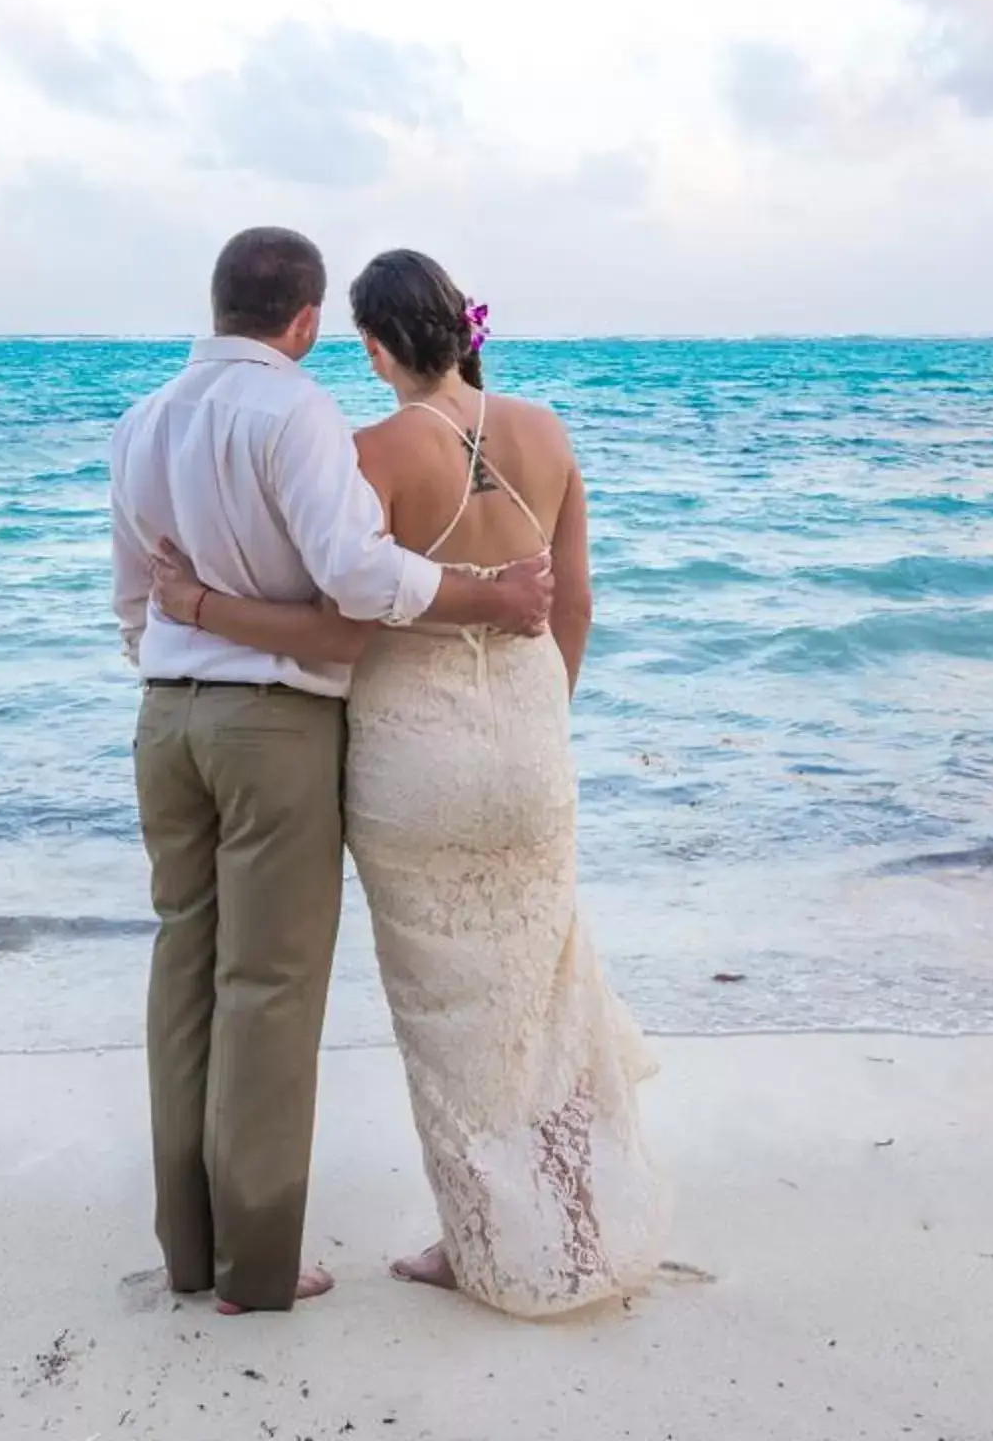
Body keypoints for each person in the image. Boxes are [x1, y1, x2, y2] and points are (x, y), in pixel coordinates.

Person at [146, 247, 671, 1319]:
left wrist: (195, 606)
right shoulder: (549, 431)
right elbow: (572, 599)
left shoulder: (370, 451)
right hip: (529, 740)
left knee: (448, 1012)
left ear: (376, 347)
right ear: (464, 328)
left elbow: (348, 616)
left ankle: (479, 1239)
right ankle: (572, 1220)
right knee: (546, 991)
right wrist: (540, 715)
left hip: (412, 759)